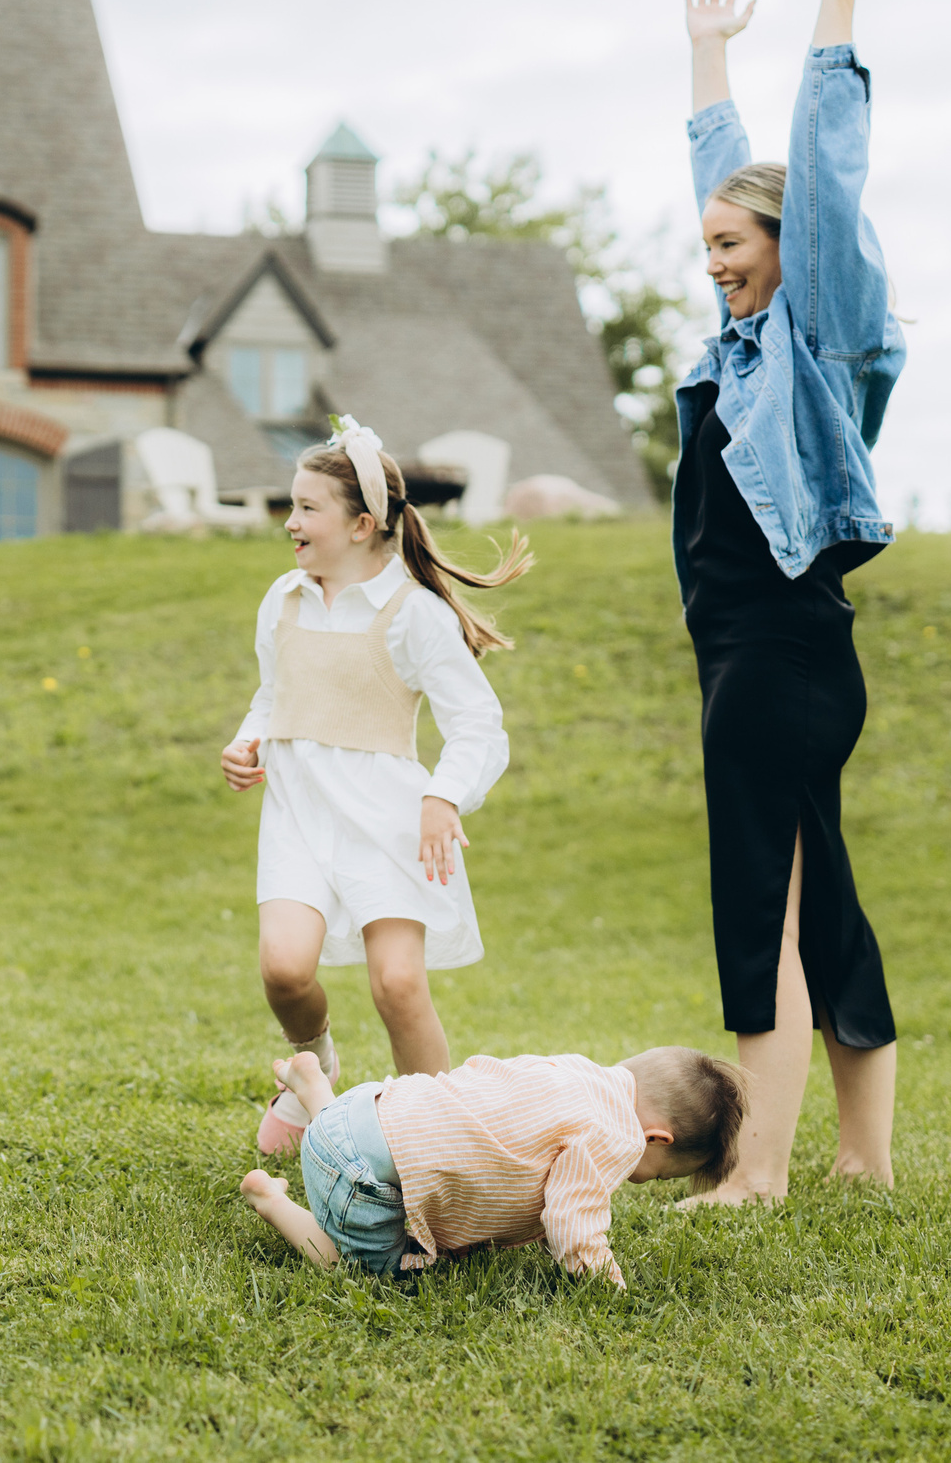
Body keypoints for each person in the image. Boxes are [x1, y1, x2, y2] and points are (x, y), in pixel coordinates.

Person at [673, 0, 907, 1203]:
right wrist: (706, 59)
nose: (712, 263)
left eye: (730, 243)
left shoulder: (813, 337)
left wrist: (837, 0)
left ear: (785, 246)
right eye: (702, 244)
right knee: (818, 900)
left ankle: (755, 1169)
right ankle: (861, 1159)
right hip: (758, 652)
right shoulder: (738, 347)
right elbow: (731, 173)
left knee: (760, 888)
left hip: (779, 647)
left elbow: (817, 171)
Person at [221, 418, 530, 1157]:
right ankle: (316, 1064)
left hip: (388, 823)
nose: (289, 522)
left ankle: (442, 1142)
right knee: (284, 969)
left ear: (361, 524)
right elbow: (274, 693)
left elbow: (479, 725)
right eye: (291, 505)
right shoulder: (284, 599)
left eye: (307, 508)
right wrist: (247, 740)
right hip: (297, 814)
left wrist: (443, 795)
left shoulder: (413, 614)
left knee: (397, 984)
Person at [239, 1045, 747, 1287]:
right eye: (657, 1173)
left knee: (367, 1128)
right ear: (656, 1137)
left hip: (361, 1107)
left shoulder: (575, 1071)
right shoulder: (613, 1133)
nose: (643, 1179)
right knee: (376, 1273)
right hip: (358, 1176)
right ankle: (273, 1201)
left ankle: (312, 1089)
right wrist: (606, 1284)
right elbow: (573, 1221)